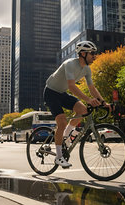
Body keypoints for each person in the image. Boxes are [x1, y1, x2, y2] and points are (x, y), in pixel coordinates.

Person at [43, 40, 110, 168]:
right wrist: (89, 100)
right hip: (51, 92)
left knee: (83, 110)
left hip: (61, 93)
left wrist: (103, 102)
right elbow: (72, 86)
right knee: (61, 122)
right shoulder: (69, 64)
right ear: (83, 53)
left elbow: (92, 88)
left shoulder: (87, 69)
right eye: (92, 54)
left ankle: (65, 136)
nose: (94, 56)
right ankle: (58, 157)